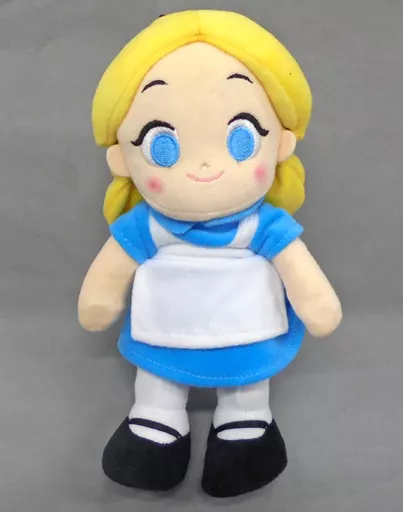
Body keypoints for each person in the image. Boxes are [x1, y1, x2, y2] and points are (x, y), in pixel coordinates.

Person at [78, 10, 342, 498]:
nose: (204, 167)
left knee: (246, 384)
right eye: (162, 147)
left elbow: (300, 270)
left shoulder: (262, 226)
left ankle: (244, 421)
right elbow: (110, 271)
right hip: (166, 330)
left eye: (241, 140)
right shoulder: (149, 224)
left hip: (246, 331)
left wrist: (317, 303)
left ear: (280, 143)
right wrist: (100, 300)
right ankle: (157, 420)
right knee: (158, 381)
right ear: (122, 157)